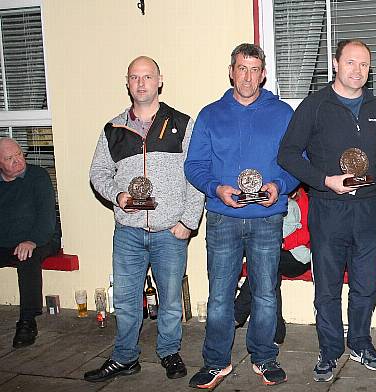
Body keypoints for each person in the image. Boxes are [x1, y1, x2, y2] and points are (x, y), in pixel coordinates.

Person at [278, 39, 376, 382]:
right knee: (327, 288)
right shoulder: (314, 106)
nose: (358, 70)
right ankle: (329, 349)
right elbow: (288, 155)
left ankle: (360, 341)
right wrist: (324, 180)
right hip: (328, 211)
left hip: (369, 212)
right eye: (351, 63)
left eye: (365, 65)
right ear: (336, 64)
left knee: (366, 286)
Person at [184, 43, 298, 389]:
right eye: (241, 68)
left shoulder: (282, 114)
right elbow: (195, 165)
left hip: (267, 217)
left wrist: (279, 185)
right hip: (222, 217)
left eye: (254, 69)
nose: (247, 76)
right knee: (220, 294)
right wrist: (216, 189)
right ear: (231, 71)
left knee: (265, 291)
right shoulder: (209, 114)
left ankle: (264, 357)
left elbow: (297, 160)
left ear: (263, 74)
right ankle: (216, 361)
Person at [86, 56, 204, 382]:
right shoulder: (113, 129)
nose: (141, 83)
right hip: (128, 232)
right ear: (127, 83)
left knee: (169, 302)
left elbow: (196, 175)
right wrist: (118, 196)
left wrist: (188, 222)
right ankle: (125, 357)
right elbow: (97, 173)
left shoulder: (182, 123)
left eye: (147, 76)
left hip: (170, 230)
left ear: (159, 80)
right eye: (135, 77)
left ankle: (169, 352)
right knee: (125, 300)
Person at [0, 137, 59, 349]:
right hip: (6, 242)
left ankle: (27, 322)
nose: (17, 161)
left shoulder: (37, 177)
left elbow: (46, 219)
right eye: (9, 158)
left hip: (40, 238)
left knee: (28, 258)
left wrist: (32, 240)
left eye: (19, 155)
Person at [234, 186, 312, 345]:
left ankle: (236, 314)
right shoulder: (274, 198)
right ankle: (276, 332)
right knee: (269, 273)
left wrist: (276, 241)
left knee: (263, 262)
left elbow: (303, 236)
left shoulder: (303, 201)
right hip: (278, 254)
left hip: (299, 257)